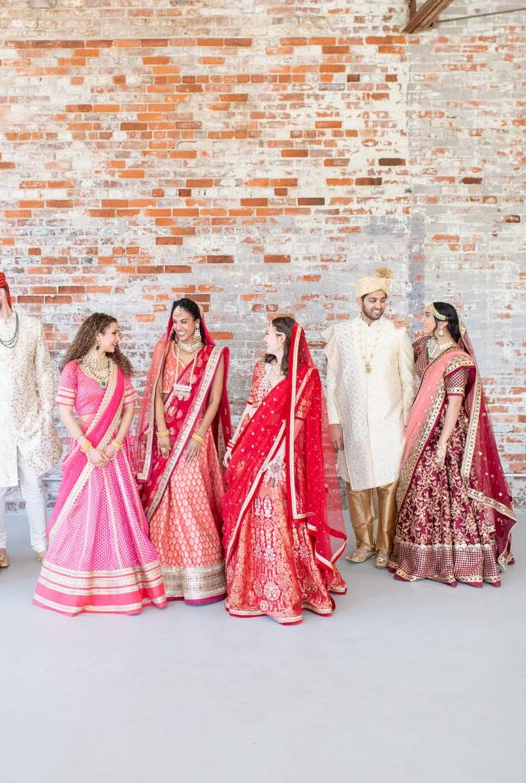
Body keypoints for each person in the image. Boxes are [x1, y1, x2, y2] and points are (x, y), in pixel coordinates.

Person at [34, 313, 165, 616]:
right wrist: (88, 447)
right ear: (97, 334)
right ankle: (76, 582)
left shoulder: (118, 370)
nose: (118, 339)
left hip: (112, 452)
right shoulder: (73, 370)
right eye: (114, 333)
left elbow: (130, 408)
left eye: (118, 334)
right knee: (80, 513)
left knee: (117, 513)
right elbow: (66, 413)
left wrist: (116, 442)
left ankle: (118, 580)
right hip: (87, 451)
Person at [222, 318, 346, 624]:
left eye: (268, 334)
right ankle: (253, 587)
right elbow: (251, 407)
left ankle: (283, 590)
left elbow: (298, 421)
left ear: (282, 338)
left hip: (282, 457)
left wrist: (278, 457)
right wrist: (233, 444)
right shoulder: (261, 368)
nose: (264, 338)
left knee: (276, 511)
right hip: (253, 448)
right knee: (252, 513)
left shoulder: (305, 377)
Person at [389, 302, 515, 587]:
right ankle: (419, 554)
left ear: (443, 322)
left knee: (448, 491)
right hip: (423, 427)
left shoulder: (458, 359)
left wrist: (444, 443)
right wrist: (398, 333)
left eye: (426, 316)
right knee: (421, 489)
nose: (421, 320)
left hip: (444, 431)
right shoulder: (428, 348)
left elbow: (456, 403)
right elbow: (410, 358)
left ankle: (455, 558)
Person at [134, 298, 231, 604]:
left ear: (197, 322)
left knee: (191, 499)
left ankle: (201, 575)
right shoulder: (164, 350)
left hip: (195, 438)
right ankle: (164, 574)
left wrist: (200, 436)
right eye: (175, 322)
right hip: (168, 435)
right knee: (165, 502)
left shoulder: (212, 355)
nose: (179, 327)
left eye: (184, 322)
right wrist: (162, 432)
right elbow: (155, 396)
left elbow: (214, 400)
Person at [0, 270, 61, 567]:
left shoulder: (31, 327)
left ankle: (41, 545)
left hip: (29, 418)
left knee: (34, 483)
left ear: (1, 294)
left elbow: (44, 372)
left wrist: (46, 415)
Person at [323, 267, 416, 567]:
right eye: (372, 300)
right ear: (359, 300)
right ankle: (364, 544)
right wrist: (334, 421)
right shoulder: (340, 333)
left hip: (389, 421)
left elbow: (407, 380)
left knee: (388, 483)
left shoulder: (397, 332)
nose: (378, 306)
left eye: (382, 301)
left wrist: (407, 420)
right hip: (353, 422)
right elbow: (332, 381)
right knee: (357, 482)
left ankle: (385, 547)